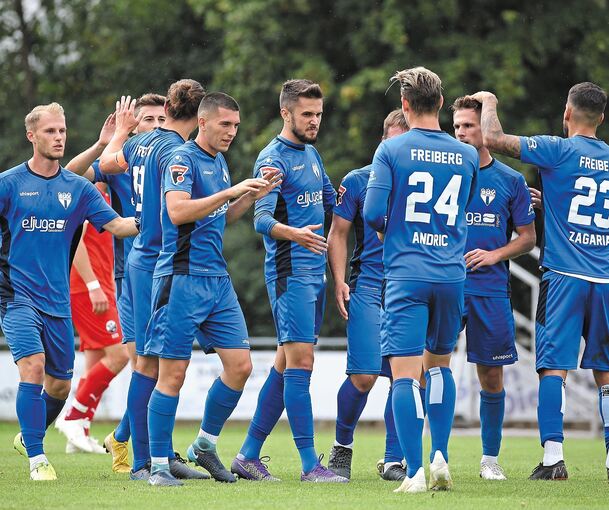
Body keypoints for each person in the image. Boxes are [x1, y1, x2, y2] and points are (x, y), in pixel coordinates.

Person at [471, 82, 609, 481]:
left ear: (567, 113)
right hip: (605, 279)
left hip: (565, 277)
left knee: (553, 368)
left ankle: (553, 459)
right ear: (600, 118)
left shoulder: (558, 149)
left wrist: (491, 102)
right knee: (606, 374)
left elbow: (494, 138)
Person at [144, 92, 280, 486]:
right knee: (172, 374)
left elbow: (221, 213)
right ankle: (156, 466)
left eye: (236, 126)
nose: (232, 132)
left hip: (216, 280)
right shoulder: (181, 160)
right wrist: (230, 191)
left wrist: (253, 195)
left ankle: (204, 444)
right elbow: (177, 211)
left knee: (240, 366)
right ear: (202, 122)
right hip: (181, 277)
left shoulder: (219, 161)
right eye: (226, 124)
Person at [6, 102, 138, 480]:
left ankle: (29, 434)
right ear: (31, 136)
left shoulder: (77, 189)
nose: (58, 137)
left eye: (62, 131)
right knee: (32, 367)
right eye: (50, 131)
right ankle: (37, 459)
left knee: (60, 385)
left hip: (58, 303)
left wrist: (160, 216)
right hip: (16, 297)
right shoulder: (10, 184)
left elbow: (119, 227)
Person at [364, 67, 478, 493]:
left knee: (405, 375)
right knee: (440, 366)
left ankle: (413, 472)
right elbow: (461, 206)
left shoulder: (391, 151)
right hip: (451, 274)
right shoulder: (466, 154)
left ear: (405, 105)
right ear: (443, 106)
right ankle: (440, 455)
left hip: (406, 273)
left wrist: (390, 227)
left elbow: (373, 214)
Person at [232, 79, 344, 483]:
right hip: (289, 273)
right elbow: (260, 219)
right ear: (286, 113)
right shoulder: (272, 159)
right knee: (301, 363)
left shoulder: (312, 154)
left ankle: (247, 456)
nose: (314, 121)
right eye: (306, 114)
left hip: (314, 275)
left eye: (318, 114)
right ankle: (311, 465)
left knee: (284, 366)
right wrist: (294, 232)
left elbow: (336, 205)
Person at [99, 81, 206, 481]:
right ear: (200, 117)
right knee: (149, 363)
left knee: (157, 362)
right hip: (157, 261)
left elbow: (110, 162)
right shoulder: (177, 150)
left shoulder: (142, 144)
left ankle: (158, 454)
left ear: (169, 107)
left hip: (145, 258)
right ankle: (145, 462)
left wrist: (122, 134)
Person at [62, 94, 166, 472]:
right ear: (134, 126)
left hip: (171, 270)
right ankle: (141, 450)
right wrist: (105, 142)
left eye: (160, 118)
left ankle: (120, 435)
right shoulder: (118, 165)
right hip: (131, 274)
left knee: (157, 365)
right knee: (142, 362)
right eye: (148, 119)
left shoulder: (176, 157)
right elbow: (71, 177)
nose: (155, 125)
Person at [452, 96, 536, 479]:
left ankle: (489, 460)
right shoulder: (447, 174)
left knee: (491, 375)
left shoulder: (510, 180)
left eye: (468, 126)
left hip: (490, 289)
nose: (461, 133)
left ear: (484, 130)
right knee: (426, 367)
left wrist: (494, 254)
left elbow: (528, 238)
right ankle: (418, 455)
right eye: (456, 127)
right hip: (447, 286)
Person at [326, 109, 409, 481]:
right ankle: (342, 446)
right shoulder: (359, 181)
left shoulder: (425, 181)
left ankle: (393, 459)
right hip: (369, 285)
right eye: (394, 142)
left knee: (402, 375)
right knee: (363, 376)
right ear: (382, 142)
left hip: (409, 286)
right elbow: (338, 233)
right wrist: (339, 279)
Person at [55, 182, 129, 455]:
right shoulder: (91, 191)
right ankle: (73, 416)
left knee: (97, 362)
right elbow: (75, 241)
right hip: (87, 288)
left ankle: (80, 431)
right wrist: (93, 285)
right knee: (120, 355)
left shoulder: (108, 194)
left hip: (99, 286)